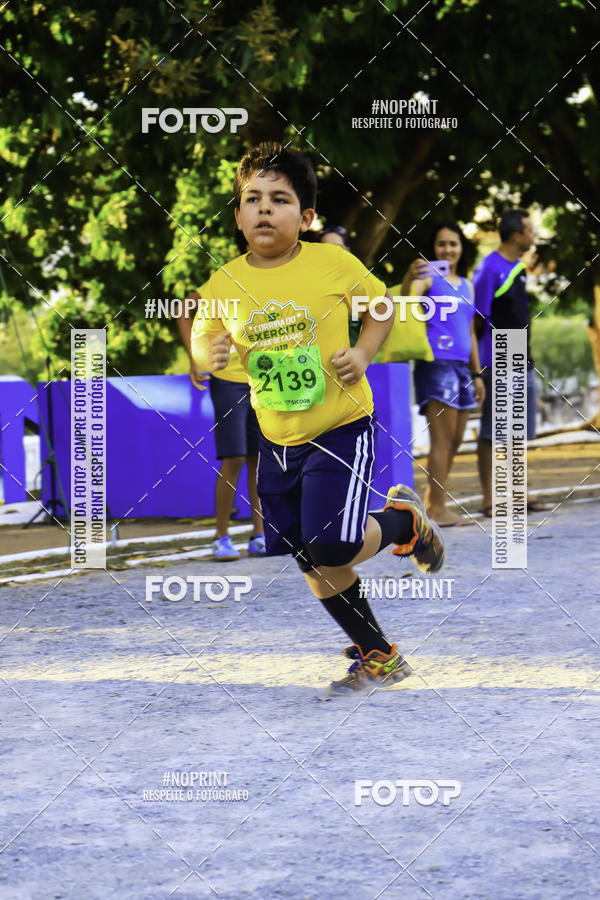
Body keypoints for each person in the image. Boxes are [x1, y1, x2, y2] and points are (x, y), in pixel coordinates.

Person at [191, 141, 445, 694]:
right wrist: (202, 354)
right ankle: (379, 655)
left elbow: (381, 309)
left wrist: (362, 354)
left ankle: (404, 522)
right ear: (236, 214)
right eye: (251, 198)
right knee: (308, 555)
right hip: (276, 438)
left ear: (305, 217)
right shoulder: (225, 282)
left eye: (279, 199)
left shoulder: (333, 264)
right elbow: (202, 329)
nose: (263, 208)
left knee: (330, 544)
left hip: (340, 428)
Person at [402, 223, 485, 526]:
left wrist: (477, 374)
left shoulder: (467, 284)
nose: (447, 249)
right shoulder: (428, 279)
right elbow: (408, 303)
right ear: (433, 248)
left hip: (463, 367)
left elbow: (471, 333)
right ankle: (437, 509)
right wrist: (410, 277)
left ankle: (432, 504)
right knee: (442, 440)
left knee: (457, 440)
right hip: (436, 363)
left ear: (461, 248)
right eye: (441, 244)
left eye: (453, 244)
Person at [176, 295, 266, 560]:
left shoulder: (276, 278)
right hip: (227, 379)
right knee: (234, 457)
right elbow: (184, 308)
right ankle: (221, 536)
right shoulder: (221, 280)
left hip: (263, 377)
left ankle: (259, 536)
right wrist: (195, 356)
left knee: (258, 459)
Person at [473, 208, 549, 515]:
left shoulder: (516, 267)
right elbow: (476, 318)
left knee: (516, 431)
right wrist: (479, 365)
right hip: (498, 355)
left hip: (520, 354)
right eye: (530, 230)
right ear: (516, 234)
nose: (533, 236)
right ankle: (491, 500)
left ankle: (519, 493)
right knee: (493, 431)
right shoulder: (489, 268)